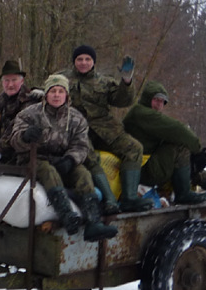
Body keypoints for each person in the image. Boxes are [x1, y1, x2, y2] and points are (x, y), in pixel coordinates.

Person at [7, 73, 117, 241]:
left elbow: (81, 145)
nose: (56, 95)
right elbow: (14, 140)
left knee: (83, 173)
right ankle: (66, 214)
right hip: (34, 160)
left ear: (66, 95)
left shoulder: (76, 118)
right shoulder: (29, 114)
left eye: (60, 91)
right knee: (48, 171)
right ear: (46, 94)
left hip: (63, 159)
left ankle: (94, 222)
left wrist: (71, 159)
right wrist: (25, 136)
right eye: (53, 91)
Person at [123, 80, 206, 208]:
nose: (159, 104)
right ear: (147, 99)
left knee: (191, 166)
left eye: (162, 101)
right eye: (155, 100)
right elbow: (177, 129)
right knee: (181, 147)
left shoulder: (146, 118)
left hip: (146, 167)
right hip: (139, 171)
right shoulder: (140, 113)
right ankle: (183, 194)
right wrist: (197, 150)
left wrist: (191, 159)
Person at [61, 45, 152, 212]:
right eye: (79, 59)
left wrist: (126, 81)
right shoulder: (62, 78)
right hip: (76, 128)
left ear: (93, 62)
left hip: (105, 128)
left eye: (87, 59)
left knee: (134, 148)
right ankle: (109, 199)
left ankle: (129, 198)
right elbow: (48, 93)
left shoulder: (104, 81)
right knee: (89, 156)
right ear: (74, 62)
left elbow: (122, 101)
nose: (83, 63)